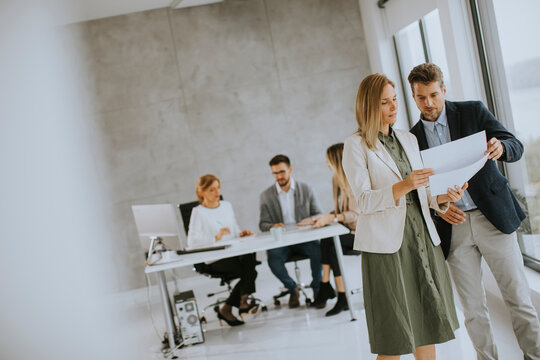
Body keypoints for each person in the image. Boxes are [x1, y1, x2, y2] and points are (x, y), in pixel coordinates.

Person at [408, 62, 540, 360]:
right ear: (413, 96)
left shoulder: (472, 111)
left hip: (492, 218)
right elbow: (417, 192)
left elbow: (515, 144)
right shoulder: (411, 138)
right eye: (420, 97)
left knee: (518, 298)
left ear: (443, 89)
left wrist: (500, 147)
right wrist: (440, 207)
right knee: (472, 310)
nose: (428, 103)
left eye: (433, 95)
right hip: (453, 226)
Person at [342, 73, 467, 359]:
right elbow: (364, 200)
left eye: (395, 99)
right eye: (385, 102)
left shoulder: (408, 139)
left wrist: (445, 198)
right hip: (388, 250)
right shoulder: (356, 145)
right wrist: (406, 184)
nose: (393, 106)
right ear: (369, 106)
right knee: (394, 335)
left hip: (421, 241)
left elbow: (422, 196)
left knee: (427, 325)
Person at [187, 174, 258, 327]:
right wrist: (215, 237)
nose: (217, 192)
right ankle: (241, 303)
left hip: (233, 253)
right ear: (202, 192)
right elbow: (191, 243)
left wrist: (240, 233)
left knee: (250, 257)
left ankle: (230, 307)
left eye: (218, 188)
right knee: (250, 271)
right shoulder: (198, 212)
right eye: (212, 189)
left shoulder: (226, 206)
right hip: (215, 258)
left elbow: (234, 230)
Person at [259, 154, 323, 308]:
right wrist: (272, 226)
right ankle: (293, 288)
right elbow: (263, 224)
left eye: (282, 172)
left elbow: (319, 214)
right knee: (273, 259)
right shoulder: (266, 196)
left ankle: (317, 288)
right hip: (282, 240)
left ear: (290, 169)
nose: (279, 176)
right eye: (275, 173)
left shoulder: (306, 189)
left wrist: (311, 219)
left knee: (318, 251)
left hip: (304, 237)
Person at [310, 143, 359, 316]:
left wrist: (332, 218)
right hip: (346, 229)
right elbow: (339, 210)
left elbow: (356, 215)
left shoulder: (355, 180)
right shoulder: (336, 179)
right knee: (327, 239)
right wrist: (325, 217)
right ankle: (329, 287)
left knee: (332, 245)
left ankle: (334, 291)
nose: (326, 164)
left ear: (336, 160)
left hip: (360, 234)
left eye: (328, 160)